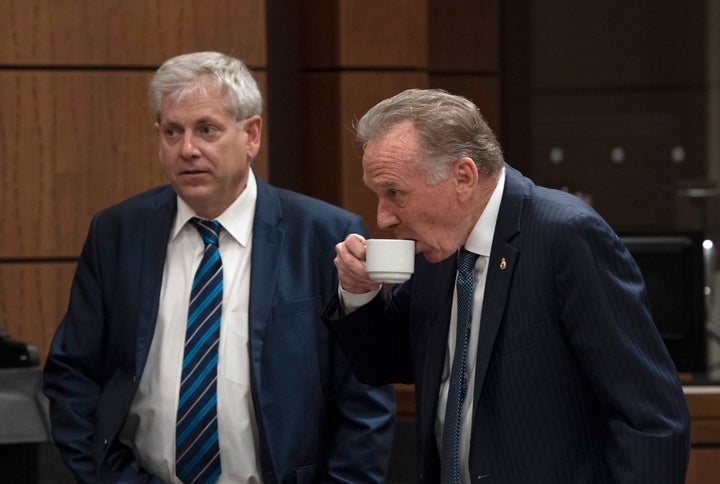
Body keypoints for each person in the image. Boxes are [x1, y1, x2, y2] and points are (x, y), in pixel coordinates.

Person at [43, 51, 396, 483]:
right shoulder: (118, 232)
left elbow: (364, 394)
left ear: (251, 134)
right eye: (172, 131)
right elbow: (71, 376)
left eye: (206, 129)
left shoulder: (324, 236)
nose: (187, 149)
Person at [324, 88, 691, 483]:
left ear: (463, 176)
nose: (382, 218)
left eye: (395, 193)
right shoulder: (440, 248)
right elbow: (386, 362)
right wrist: (358, 291)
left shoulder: (564, 236)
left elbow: (652, 420)